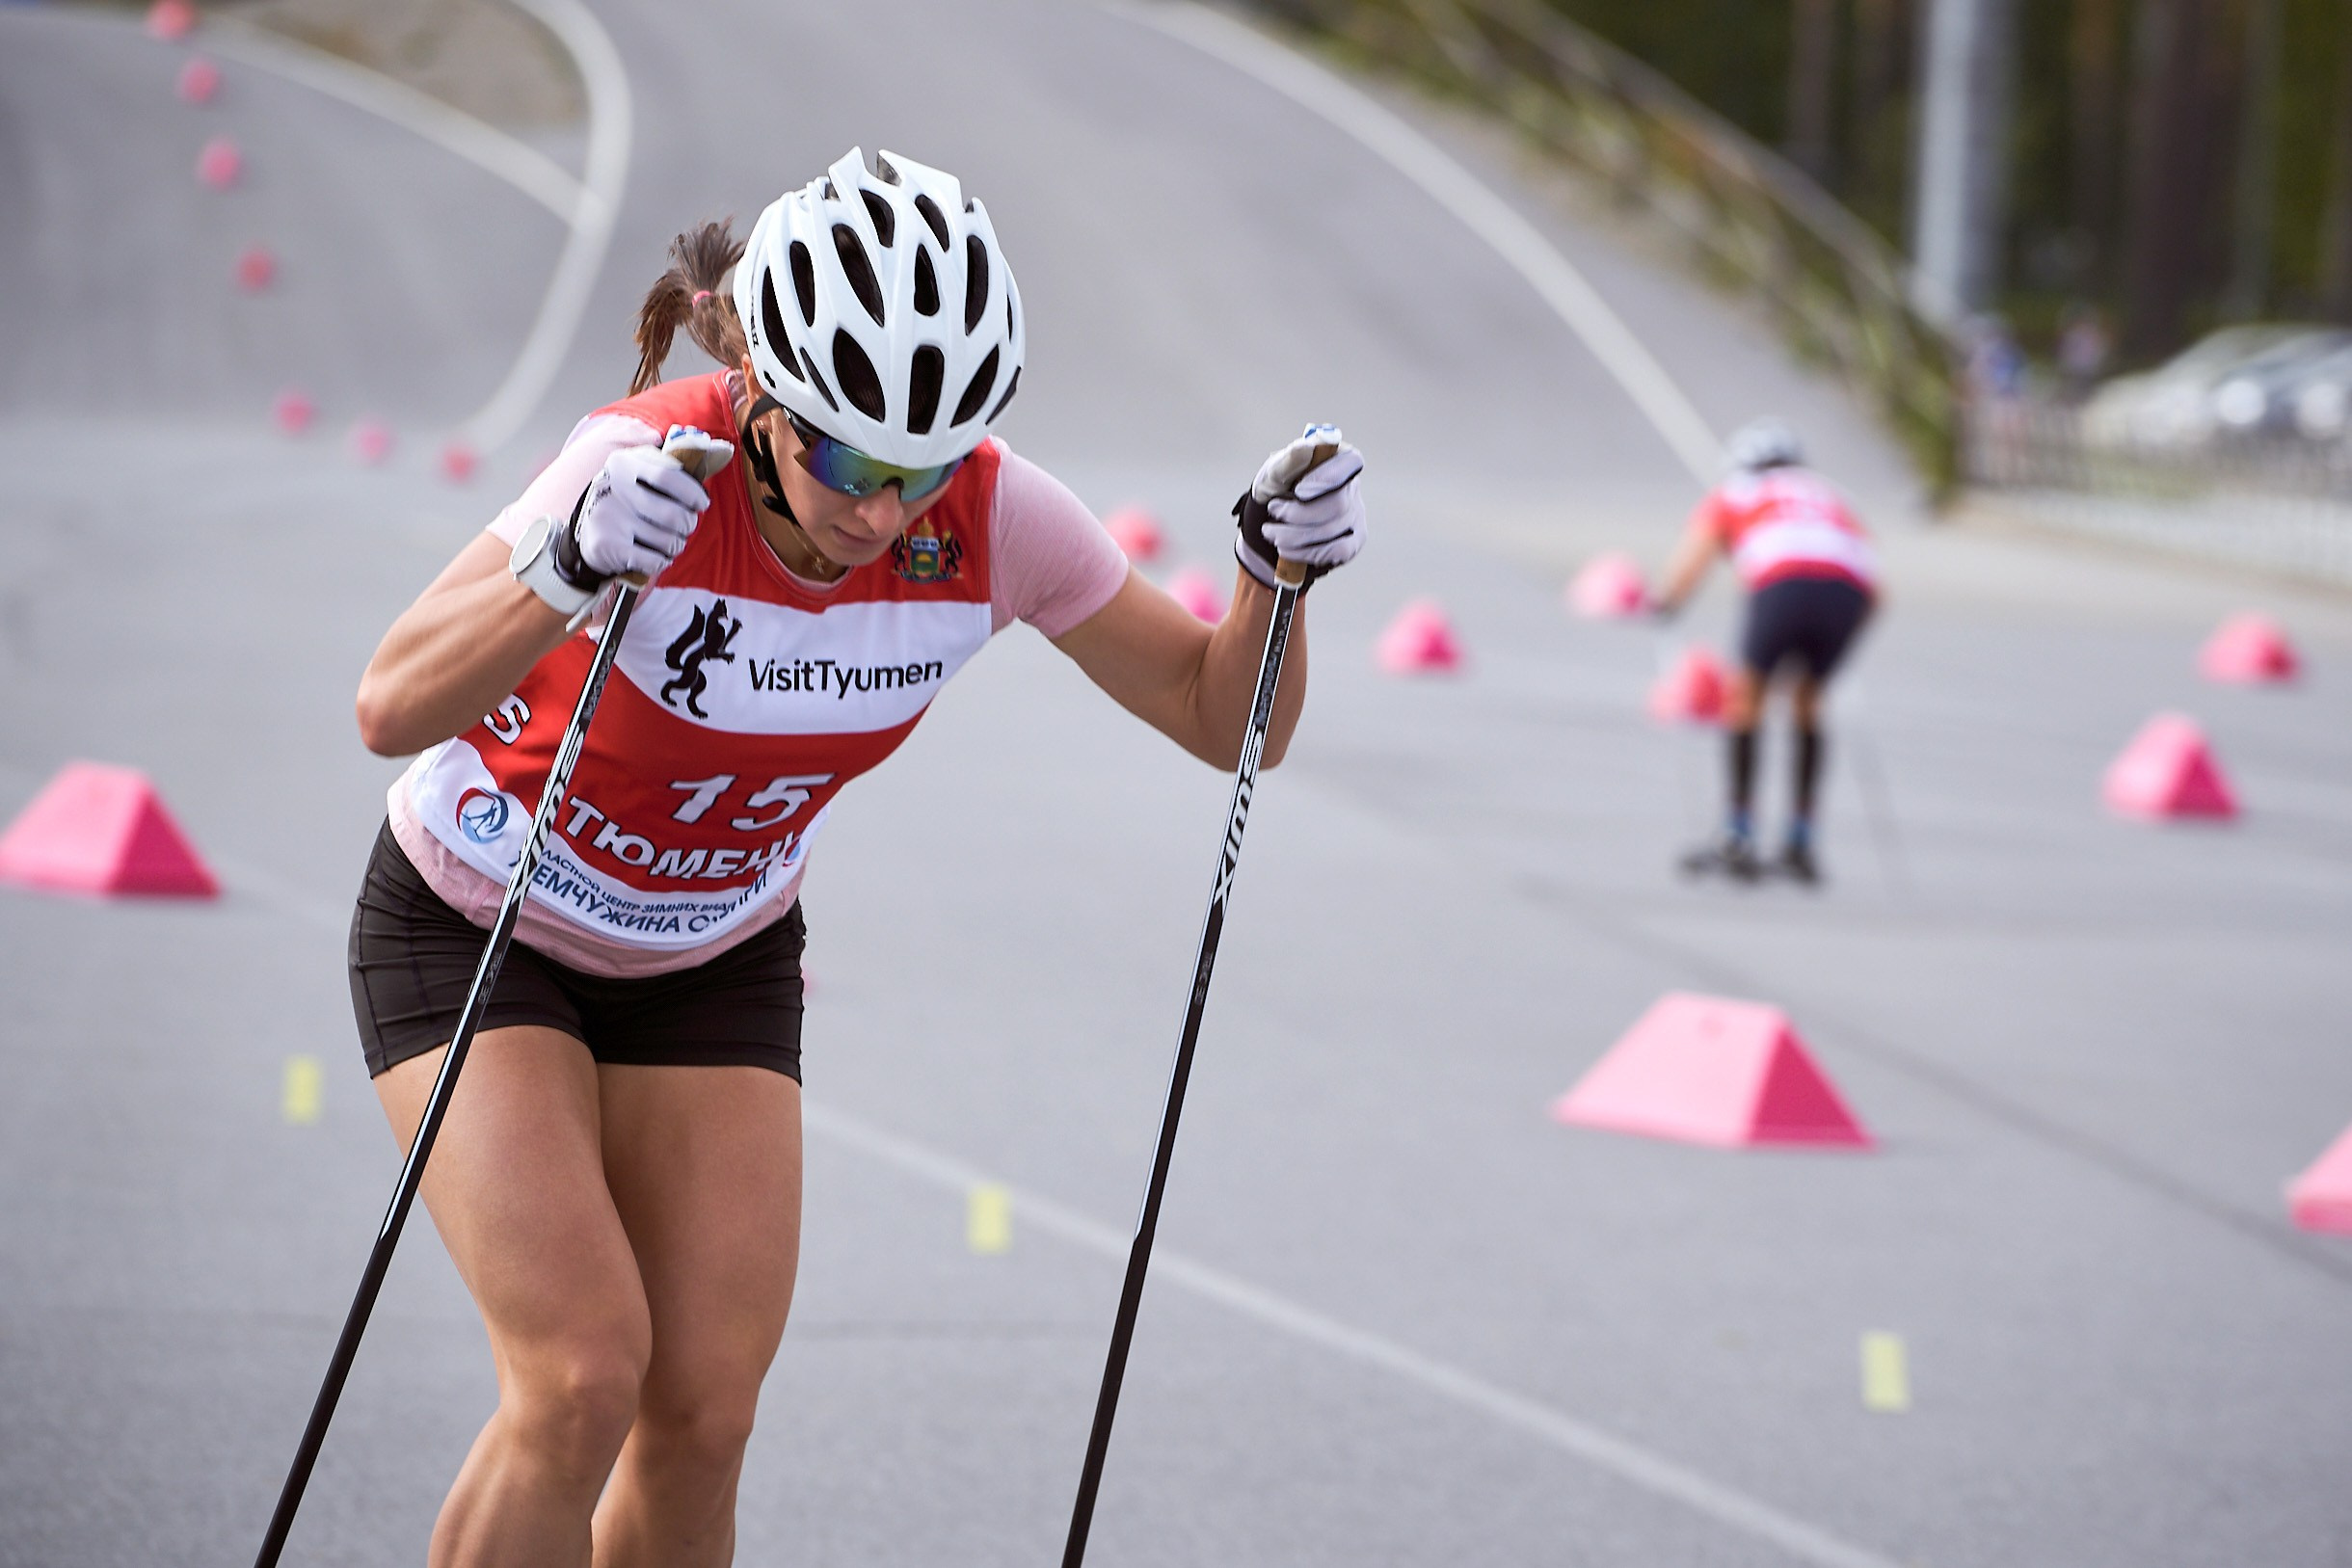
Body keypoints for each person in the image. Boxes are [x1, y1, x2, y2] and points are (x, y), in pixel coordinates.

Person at [345, 147, 1365, 1566]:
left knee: (703, 1412)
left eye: (923, 465)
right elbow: (392, 703)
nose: (885, 508)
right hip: (480, 920)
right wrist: (563, 564)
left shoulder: (996, 518)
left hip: (711, 954)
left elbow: (1220, 712)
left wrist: (1273, 578)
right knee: (582, 1376)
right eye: (850, 457)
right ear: (767, 400)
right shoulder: (644, 462)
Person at [1650, 418, 1873, 884]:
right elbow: (1874, 582)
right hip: (1849, 593)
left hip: (1783, 583)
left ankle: (1739, 833)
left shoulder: (1739, 491)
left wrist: (1667, 604)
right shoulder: (1828, 493)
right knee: (1809, 705)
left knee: (1745, 700)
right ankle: (1801, 838)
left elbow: (1694, 557)